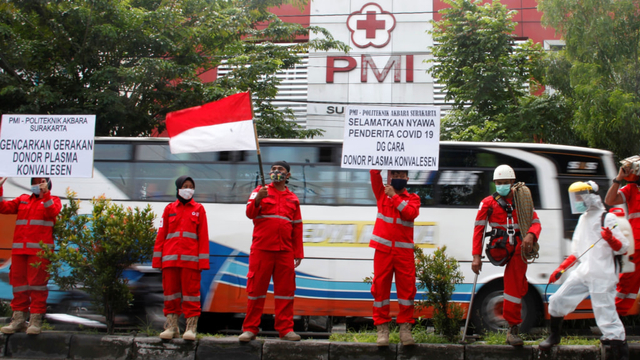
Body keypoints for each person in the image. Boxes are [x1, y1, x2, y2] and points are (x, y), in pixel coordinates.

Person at [542, 181, 628, 359]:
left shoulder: (608, 218)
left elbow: (623, 248)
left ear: (591, 196)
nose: (577, 199)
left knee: (606, 316)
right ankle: (554, 336)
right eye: (576, 196)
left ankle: (618, 350)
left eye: (580, 195)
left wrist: (611, 239)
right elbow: (577, 252)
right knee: (557, 300)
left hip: (603, 273)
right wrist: (561, 269)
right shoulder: (583, 219)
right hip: (584, 271)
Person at [471, 165, 541, 346]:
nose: (502, 186)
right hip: (498, 248)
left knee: (516, 288)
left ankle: (512, 329)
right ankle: (513, 326)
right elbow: (479, 229)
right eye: (498, 183)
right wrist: (476, 256)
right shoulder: (488, 203)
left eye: (505, 183)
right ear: (495, 183)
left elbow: (535, 222)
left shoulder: (522, 201)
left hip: (519, 249)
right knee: (517, 287)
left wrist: (531, 235)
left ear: (512, 183)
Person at [239, 161, 303, 342]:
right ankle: (250, 329)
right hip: (261, 250)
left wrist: (298, 252)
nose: (276, 172)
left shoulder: (293, 199)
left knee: (285, 292)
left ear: (288, 175)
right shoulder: (260, 191)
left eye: (280, 170)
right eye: (273, 169)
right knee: (256, 291)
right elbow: (250, 213)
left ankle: (286, 330)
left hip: (285, 252)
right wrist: (258, 198)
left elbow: (297, 227)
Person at [0, 177, 61, 335]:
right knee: (19, 286)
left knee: (37, 286)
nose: (35, 185)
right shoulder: (22, 199)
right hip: (20, 252)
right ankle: (18, 320)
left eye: (39, 182)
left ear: (47, 184)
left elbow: (52, 212)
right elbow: (3, 207)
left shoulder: (53, 200)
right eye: (33, 182)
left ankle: (35, 321)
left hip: (39, 253)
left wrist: (46, 194)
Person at [152, 176, 210, 340]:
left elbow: (203, 237)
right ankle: (171, 327)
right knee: (170, 294)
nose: (188, 189)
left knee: (191, 295)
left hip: (191, 262)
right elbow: (161, 235)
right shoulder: (169, 209)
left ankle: (191, 329)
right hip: (169, 260)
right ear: (178, 188)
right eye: (185, 186)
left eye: (191, 186)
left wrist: (203, 262)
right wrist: (157, 260)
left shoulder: (198, 209)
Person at [369, 169, 421, 346]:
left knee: (407, 292)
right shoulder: (382, 193)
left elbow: (410, 214)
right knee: (380, 290)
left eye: (401, 176)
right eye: (395, 175)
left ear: (407, 178)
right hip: (383, 251)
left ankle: (405, 329)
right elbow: (374, 173)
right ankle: (382, 329)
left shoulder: (413, 198)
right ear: (389, 177)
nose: (398, 179)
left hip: (403, 253)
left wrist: (394, 196)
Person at [604, 159, 640, 315]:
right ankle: (613, 319)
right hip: (636, 246)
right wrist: (618, 179)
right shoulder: (632, 189)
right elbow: (609, 200)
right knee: (627, 283)